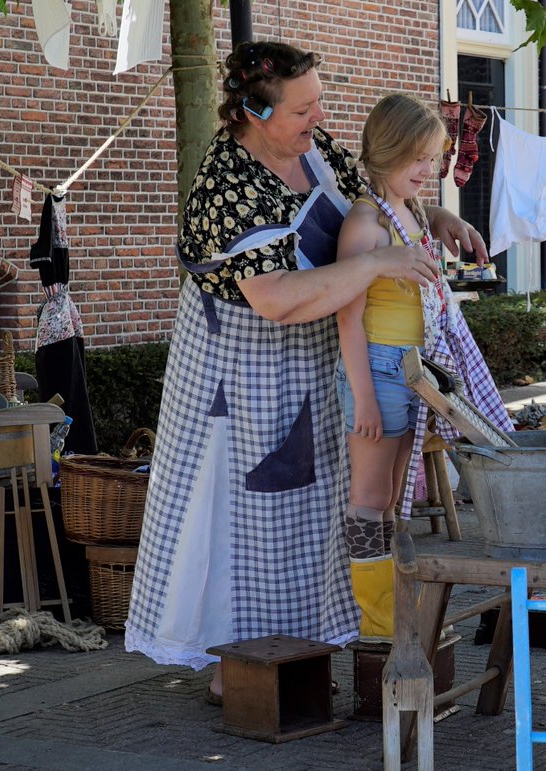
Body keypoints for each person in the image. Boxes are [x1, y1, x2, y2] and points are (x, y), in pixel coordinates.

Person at [125, 42, 488, 704]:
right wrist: (377, 268)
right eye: (303, 106)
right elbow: (275, 298)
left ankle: (311, 642)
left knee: (308, 516)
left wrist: (438, 216)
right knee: (244, 521)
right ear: (257, 110)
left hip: (314, 364)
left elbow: (374, 199)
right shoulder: (227, 181)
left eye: (319, 100)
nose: (319, 115)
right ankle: (236, 665)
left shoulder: (312, 150)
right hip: (242, 374)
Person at [334, 94, 511, 638]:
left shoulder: (410, 214)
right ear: (385, 152)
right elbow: (347, 320)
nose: (427, 171)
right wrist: (363, 398)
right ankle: (375, 619)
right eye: (417, 159)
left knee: (392, 498)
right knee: (367, 499)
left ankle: (394, 607)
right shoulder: (365, 227)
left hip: (415, 373)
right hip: (380, 374)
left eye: (431, 160)